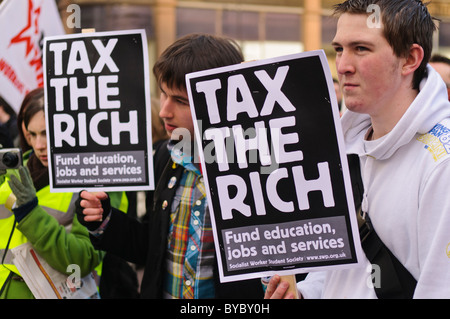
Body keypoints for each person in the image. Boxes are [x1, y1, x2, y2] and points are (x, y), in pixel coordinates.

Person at [265, 0, 450, 299]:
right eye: (339, 49)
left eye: (361, 49)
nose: (343, 65)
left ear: (410, 59)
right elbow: (335, 270)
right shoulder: (341, 149)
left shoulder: (442, 165)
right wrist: (302, 295)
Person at [75, 33, 264, 299]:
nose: (164, 110)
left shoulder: (255, 164)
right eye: (163, 94)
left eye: (180, 101)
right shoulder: (166, 156)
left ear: (219, 101)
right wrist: (104, 220)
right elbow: (152, 246)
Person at [0, 89, 102, 298]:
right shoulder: (15, 168)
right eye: (33, 134)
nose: (39, 145)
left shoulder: (94, 176)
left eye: (48, 133)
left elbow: (81, 260)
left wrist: (30, 212)